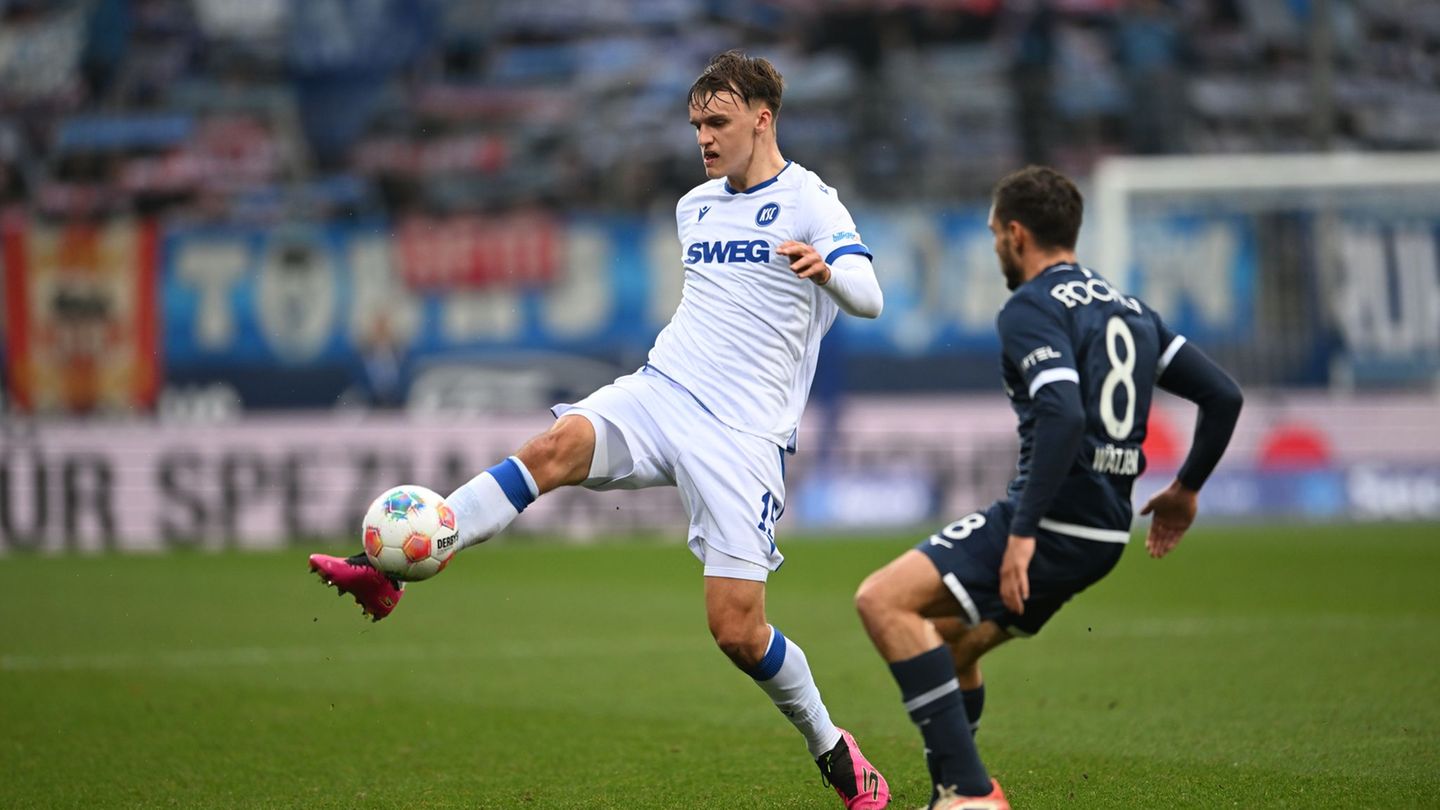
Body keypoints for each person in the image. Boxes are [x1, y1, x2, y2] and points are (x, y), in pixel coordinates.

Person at [309, 50, 892, 810]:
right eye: (695, 125)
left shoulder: (814, 203)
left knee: (738, 631)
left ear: (762, 118)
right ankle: (391, 568)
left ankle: (834, 750)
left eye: (717, 122)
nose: (704, 139)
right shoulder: (697, 207)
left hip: (743, 436)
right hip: (662, 390)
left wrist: (828, 273)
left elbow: (872, 297)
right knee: (549, 449)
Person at [853, 166, 1243, 810]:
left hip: (1053, 518)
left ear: (1015, 234)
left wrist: (1023, 534)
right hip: (1106, 530)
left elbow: (1061, 411)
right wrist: (1186, 488)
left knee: (882, 602)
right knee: (950, 643)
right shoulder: (1129, 308)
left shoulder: (1030, 307)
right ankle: (952, 794)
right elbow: (1223, 394)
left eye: (993, 235)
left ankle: (971, 795)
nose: (994, 248)